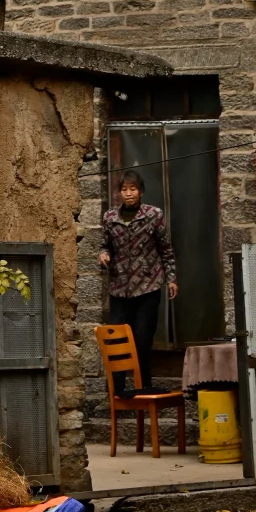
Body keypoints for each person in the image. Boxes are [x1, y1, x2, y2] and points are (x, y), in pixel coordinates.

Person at [99, 169, 178, 396]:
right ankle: (116, 392)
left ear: (141, 191)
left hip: (148, 285)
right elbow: (105, 245)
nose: (128, 193)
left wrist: (171, 278)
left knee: (142, 339)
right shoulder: (110, 218)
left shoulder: (153, 215)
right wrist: (104, 255)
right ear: (119, 193)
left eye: (133, 189)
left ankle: (143, 388)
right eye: (124, 189)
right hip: (119, 287)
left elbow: (165, 249)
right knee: (116, 339)